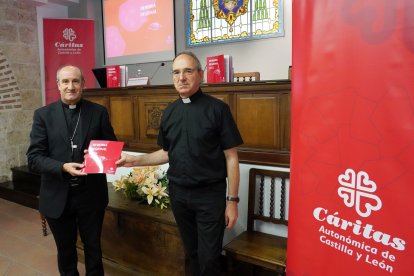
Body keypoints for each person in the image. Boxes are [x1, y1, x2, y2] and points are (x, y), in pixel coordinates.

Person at [116, 51, 243, 276]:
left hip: (209, 196)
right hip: (179, 194)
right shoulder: (170, 111)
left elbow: (231, 157)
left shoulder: (218, 110)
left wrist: (232, 201)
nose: (181, 77)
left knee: (209, 258)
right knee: (191, 253)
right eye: (176, 72)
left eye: (187, 71)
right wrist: (135, 160)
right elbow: (167, 153)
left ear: (200, 75)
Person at [27, 65, 117, 276]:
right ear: (58, 85)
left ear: (83, 84)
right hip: (57, 195)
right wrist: (61, 167)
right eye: (65, 81)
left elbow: (111, 147)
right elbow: (34, 158)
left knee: (93, 249)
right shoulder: (43, 115)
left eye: (75, 81)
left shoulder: (98, 112)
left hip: (90, 194)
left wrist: (100, 154)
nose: (71, 86)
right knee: (66, 251)